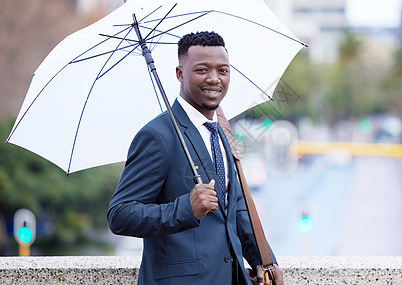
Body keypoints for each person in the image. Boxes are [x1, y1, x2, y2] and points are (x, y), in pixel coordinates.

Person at [107, 31, 284, 285]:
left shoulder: (222, 131)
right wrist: (185, 209)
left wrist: (262, 260)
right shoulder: (157, 136)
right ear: (180, 74)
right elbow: (120, 215)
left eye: (223, 70)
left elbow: (236, 206)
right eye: (202, 70)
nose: (214, 79)